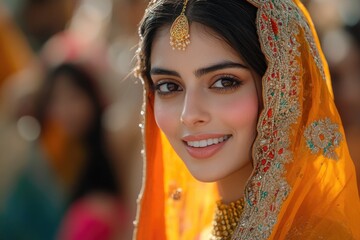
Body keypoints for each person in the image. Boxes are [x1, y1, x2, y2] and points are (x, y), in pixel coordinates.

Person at [132, 0, 360, 239]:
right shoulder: (201, 233)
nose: (189, 115)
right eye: (169, 86)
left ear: (284, 88)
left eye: (224, 82)